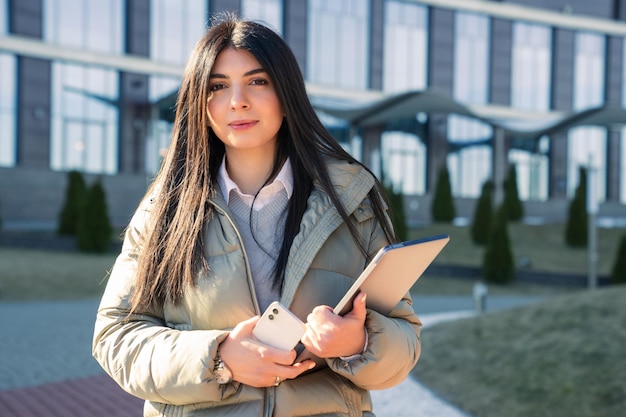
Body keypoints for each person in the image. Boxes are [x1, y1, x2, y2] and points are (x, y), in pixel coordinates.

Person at [92, 13, 421, 417]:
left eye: (257, 81)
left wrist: (357, 343)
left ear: (286, 93)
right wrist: (218, 357)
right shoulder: (165, 210)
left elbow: (405, 342)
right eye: (217, 86)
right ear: (200, 102)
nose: (238, 101)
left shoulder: (351, 201)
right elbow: (115, 336)